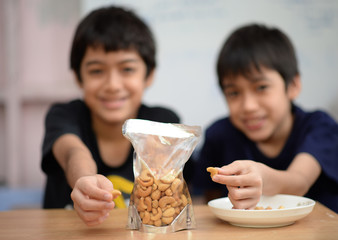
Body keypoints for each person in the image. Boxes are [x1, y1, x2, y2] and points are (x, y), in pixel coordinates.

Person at [41, 5, 181, 226]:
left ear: (149, 74)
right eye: (96, 71)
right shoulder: (65, 115)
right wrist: (84, 179)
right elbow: (71, 151)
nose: (113, 85)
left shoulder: (161, 122)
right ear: (79, 78)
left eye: (127, 69)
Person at [194, 23, 338, 213]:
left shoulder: (319, 127)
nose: (248, 106)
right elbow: (205, 202)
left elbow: (299, 182)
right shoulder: (218, 135)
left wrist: (263, 177)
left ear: (293, 85)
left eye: (261, 87)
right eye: (234, 93)